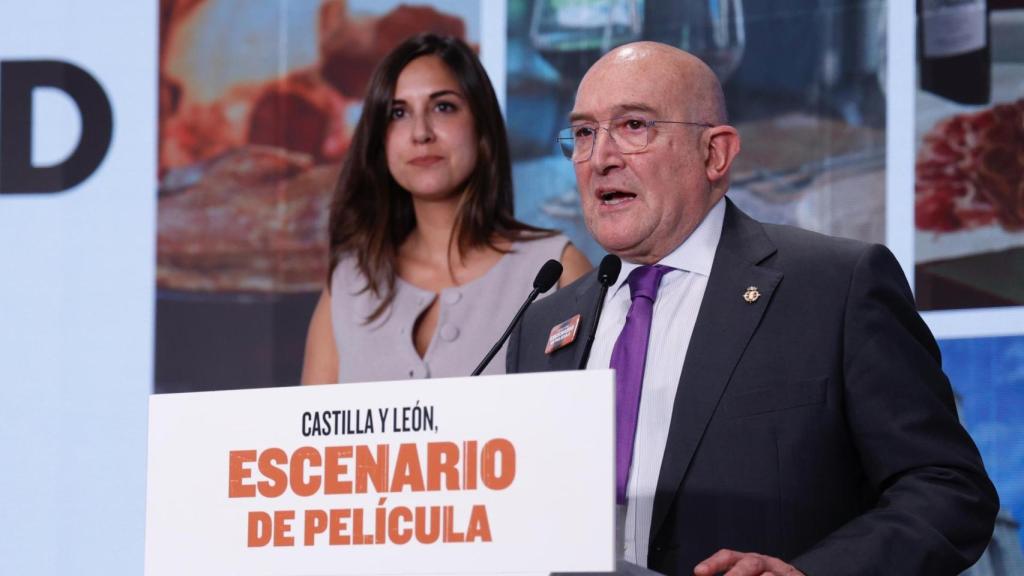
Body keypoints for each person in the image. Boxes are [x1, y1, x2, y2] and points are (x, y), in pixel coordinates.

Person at [507, 42, 998, 575]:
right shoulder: (542, 325)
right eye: (584, 133)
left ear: (714, 154)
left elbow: (947, 489)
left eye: (633, 126)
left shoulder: (834, 286)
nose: (601, 157)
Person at [302, 34, 590, 385]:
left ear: (481, 125)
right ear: (380, 139)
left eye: (443, 107)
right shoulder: (348, 284)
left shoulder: (558, 270)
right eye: (398, 113)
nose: (421, 133)